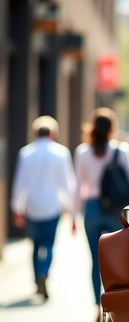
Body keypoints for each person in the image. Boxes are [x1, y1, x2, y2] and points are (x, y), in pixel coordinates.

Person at [72, 107, 129, 322]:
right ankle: (115, 308)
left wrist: (73, 216)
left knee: (95, 261)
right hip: (115, 210)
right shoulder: (121, 150)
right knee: (116, 262)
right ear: (112, 128)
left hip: (91, 209)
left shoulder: (83, 152)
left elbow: (78, 186)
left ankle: (97, 307)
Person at [11, 115, 76, 300]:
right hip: (51, 206)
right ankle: (44, 273)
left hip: (32, 206)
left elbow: (20, 182)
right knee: (49, 244)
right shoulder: (61, 153)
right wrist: (71, 208)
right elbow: (67, 183)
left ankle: (36, 279)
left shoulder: (26, 153)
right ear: (53, 133)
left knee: (35, 245)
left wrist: (18, 207)